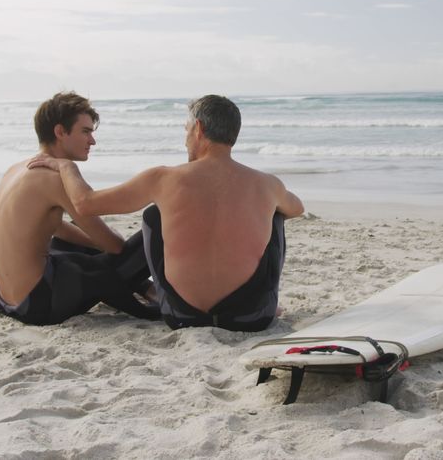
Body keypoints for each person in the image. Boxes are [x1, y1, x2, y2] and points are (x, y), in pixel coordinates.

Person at [28, 94, 305, 332]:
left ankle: (157, 292)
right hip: (251, 317)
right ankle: (267, 300)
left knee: (154, 216)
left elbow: (85, 203)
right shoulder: (267, 184)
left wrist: (66, 167)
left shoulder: (163, 179)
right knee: (276, 215)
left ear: (198, 129)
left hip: (181, 316)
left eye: (186, 130)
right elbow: (298, 209)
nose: (186, 140)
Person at [0, 91, 159, 325]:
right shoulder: (55, 178)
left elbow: (53, 226)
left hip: (3, 298)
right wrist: (69, 169)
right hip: (38, 304)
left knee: (77, 233)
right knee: (158, 223)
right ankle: (154, 292)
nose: (92, 141)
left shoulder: (17, 169)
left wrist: (94, 245)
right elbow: (116, 247)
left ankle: (145, 288)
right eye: (85, 131)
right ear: (60, 132)